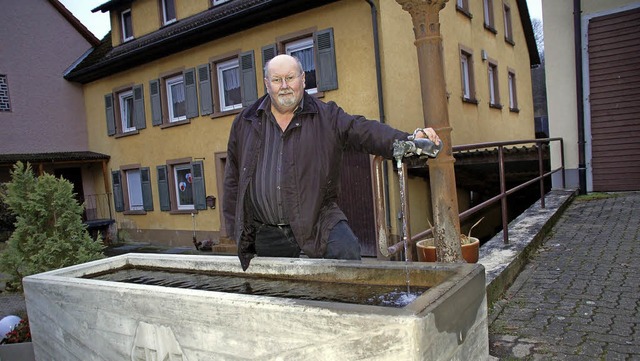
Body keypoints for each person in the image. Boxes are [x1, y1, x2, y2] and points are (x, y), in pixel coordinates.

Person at [223, 54, 440, 270]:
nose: (284, 86)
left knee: (347, 253)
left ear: (303, 80)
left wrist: (408, 141)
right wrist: (236, 227)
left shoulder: (326, 116)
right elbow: (233, 178)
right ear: (267, 84)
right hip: (264, 229)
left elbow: (364, 131)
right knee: (273, 292)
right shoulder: (245, 122)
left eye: (290, 78)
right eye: (277, 80)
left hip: (317, 219)